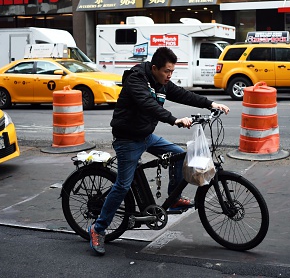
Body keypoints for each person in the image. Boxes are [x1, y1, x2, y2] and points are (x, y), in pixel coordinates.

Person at [89, 47, 230, 255]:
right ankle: (98, 229)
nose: (169, 76)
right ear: (155, 68)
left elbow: (183, 94)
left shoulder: (162, 82)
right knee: (123, 185)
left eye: (172, 72)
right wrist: (174, 120)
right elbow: (148, 105)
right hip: (127, 139)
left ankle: (172, 201)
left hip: (146, 136)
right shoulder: (136, 80)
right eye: (166, 71)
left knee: (179, 156)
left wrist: (210, 104)